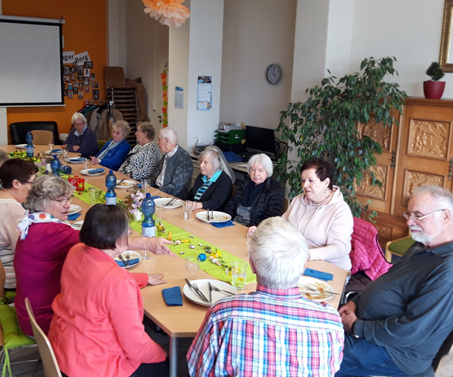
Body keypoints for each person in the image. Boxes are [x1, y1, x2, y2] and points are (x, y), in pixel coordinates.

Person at [14, 176, 175, 337]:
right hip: (46, 321)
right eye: (60, 200)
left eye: (68, 199)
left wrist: (140, 277)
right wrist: (147, 243)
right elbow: (103, 242)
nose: (67, 205)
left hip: (31, 312)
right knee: (115, 317)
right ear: (41, 203)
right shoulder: (52, 232)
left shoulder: (33, 222)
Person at [188, 217, 344, 377]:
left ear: (252, 265)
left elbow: (198, 370)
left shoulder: (222, 313)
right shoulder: (332, 322)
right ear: (304, 265)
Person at [337, 185, 453, 377]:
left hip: (394, 352)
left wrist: (357, 327)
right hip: (370, 327)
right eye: (409, 214)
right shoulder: (422, 245)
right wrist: (355, 302)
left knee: (316, 353)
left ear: (445, 216)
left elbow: (411, 331)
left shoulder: (447, 271)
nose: (409, 222)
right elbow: (388, 282)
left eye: (418, 215)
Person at [48, 205, 169, 377]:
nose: (129, 233)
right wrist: (161, 353)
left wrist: (142, 278)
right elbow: (135, 346)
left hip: (61, 351)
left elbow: (98, 283)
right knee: (165, 365)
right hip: (91, 367)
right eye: (127, 231)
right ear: (118, 238)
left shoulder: (76, 251)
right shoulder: (117, 281)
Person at [281, 157, 353, 271]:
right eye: (303, 180)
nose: (305, 185)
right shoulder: (298, 200)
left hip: (330, 268)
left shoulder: (340, 210)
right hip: (296, 261)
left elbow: (339, 249)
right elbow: (282, 223)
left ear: (326, 182)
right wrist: (263, 229)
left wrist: (307, 254)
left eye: (311, 180)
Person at [0, 158, 37, 288]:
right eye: (32, 183)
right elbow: (24, 252)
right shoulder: (13, 212)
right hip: (9, 275)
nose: (34, 188)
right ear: (16, 183)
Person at [225, 153, 285, 227]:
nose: (256, 174)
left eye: (260, 171)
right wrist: (227, 219)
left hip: (254, 228)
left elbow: (271, 219)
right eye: (253, 170)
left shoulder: (275, 190)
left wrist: (256, 228)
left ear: (267, 172)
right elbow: (231, 204)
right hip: (234, 223)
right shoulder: (244, 184)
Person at [150, 127, 193, 200]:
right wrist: (146, 186)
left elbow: (176, 187)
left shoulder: (184, 158)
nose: (157, 142)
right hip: (158, 190)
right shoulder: (166, 155)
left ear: (167, 141)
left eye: (159, 139)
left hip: (172, 198)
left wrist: (156, 192)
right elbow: (155, 176)